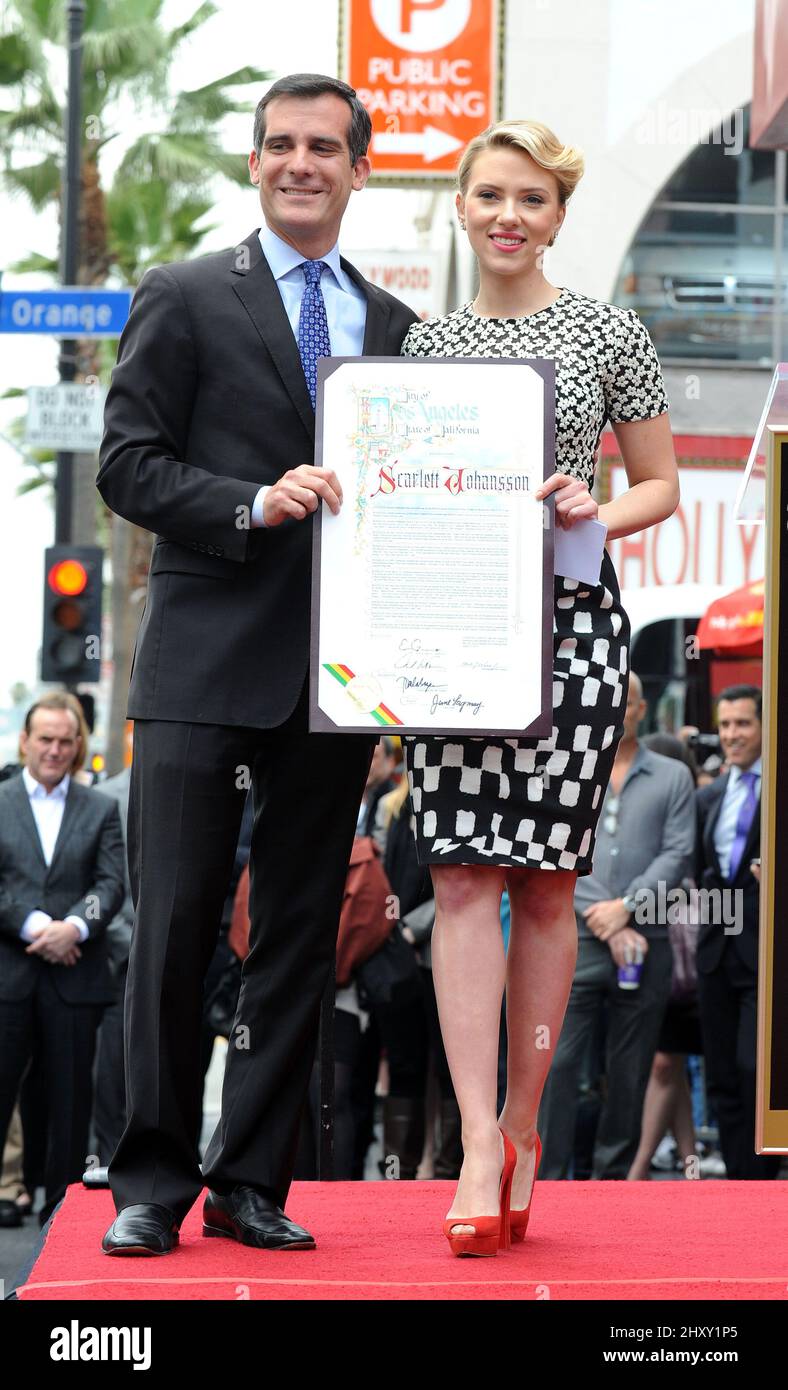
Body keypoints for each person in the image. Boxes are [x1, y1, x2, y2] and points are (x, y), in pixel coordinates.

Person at [96, 73, 418, 1255]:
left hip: (334, 681)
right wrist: (250, 501)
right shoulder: (181, 295)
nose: (300, 162)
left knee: (294, 936)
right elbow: (126, 467)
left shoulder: (392, 326)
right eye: (279, 143)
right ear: (254, 162)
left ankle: (250, 1182)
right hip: (199, 662)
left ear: (357, 169)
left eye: (323, 147)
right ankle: (149, 1181)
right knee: (175, 927)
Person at [400, 119, 679, 1254]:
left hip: (568, 628)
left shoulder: (609, 329)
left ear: (556, 215)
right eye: (490, 195)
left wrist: (589, 511)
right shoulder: (420, 350)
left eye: (531, 198)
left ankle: (523, 1120)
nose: (509, 214)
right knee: (462, 876)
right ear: (460, 207)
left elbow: (657, 485)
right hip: (448, 635)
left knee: (549, 884)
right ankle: (475, 1137)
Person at [537, 675, 695, 1178]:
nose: (615, 711)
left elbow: (679, 853)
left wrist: (627, 906)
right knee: (558, 1064)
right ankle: (546, 1176)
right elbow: (553, 849)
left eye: (624, 702)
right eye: (606, 700)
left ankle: (613, 1179)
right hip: (576, 936)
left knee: (629, 1068)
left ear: (641, 709)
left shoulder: (672, 776)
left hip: (646, 938)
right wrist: (605, 919)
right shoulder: (569, 767)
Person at [0, 694, 124, 1225]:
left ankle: (61, 1208)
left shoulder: (101, 808)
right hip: (10, 973)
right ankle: (10, 1192)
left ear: (79, 747)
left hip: (76, 975)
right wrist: (36, 927)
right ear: (24, 741)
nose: (54, 749)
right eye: (45, 738)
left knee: (71, 1101)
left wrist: (74, 925)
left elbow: (111, 882)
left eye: (65, 740)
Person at [695, 685, 779, 1179]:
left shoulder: (777, 788)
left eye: (743, 724)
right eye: (725, 725)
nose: (732, 735)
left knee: (754, 1072)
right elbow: (700, 868)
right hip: (715, 950)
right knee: (722, 1074)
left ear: (764, 726)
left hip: (765, 952)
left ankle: (765, 1180)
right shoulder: (710, 795)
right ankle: (736, 1181)